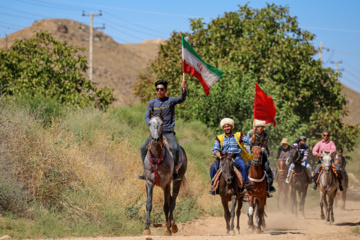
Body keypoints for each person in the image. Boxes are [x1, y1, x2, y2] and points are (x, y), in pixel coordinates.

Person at [138, 79, 187, 181]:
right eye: (157, 89)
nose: (159, 91)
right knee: (143, 148)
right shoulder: (152, 103)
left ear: (165, 90)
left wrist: (184, 89)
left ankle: (174, 172)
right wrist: (151, 125)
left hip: (168, 132)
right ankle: (145, 172)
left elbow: (182, 99)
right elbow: (146, 117)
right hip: (155, 133)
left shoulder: (170, 101)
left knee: (174, 148)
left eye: (161, 89)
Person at [208, 118, 254, 195]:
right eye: (225, 127)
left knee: (243, 166)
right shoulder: (219, 137)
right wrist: (220, 157)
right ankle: (214, 187)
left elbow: (250, 141)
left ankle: (245, 185)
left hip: (236, 157)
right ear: (223, 128)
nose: (227, 128)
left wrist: (254, 134)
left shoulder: (238, 135)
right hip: (224, 158)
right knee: (213, 167)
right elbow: (215, 150)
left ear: (231, 127)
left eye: (228, 126)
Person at [247, 119, 276, 198]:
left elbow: (264, 146)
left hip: (261, 153)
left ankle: (269, 188)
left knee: (267, 168)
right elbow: (247, 145)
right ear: (256, 126)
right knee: (245, 167)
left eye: (262, 127)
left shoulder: (266, 134)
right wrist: (253, 150)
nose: (260, 128)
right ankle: (243, 187)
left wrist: (259, 151)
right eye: (259, 126)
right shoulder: (250, 133)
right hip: (250, 153)